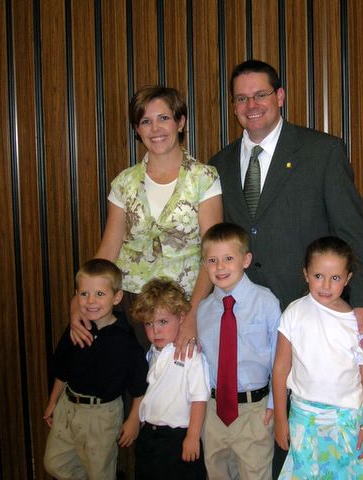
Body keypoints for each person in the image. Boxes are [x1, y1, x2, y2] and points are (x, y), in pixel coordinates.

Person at [208, 60, 363, 345]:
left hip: (312, 311)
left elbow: (352, 234)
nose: (251, 105)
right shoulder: (218, 165)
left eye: (260, 95)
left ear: (279, 97)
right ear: (234, 107)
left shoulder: (322, 152)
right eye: (242, 98)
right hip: (244, 320)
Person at [70, 85, 223, 352]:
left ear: (180, 122)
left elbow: (213, 254)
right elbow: (108, 250)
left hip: (183, 303)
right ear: (137, 129)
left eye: (163, 118)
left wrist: (194, 313)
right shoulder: (124, 182)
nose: (155, 129)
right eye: (145, 121)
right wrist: (79, 299)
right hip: (131, 304)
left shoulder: (204, 178)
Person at [272, 236, 363, 479]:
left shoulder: (356, 324)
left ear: (348, 279)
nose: (326, 285)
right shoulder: (294, 313)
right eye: (318, 276)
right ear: (306, 274)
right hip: (303, 417)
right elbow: (280, 368)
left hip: (347, 421)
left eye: (336, 278)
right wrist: (280, 418)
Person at [43, 259, 148, 480]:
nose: (91, 301)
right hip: (68, 407)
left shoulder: (124, 340)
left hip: (102, 414)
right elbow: (62, 370)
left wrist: (133, 420)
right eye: (84, 294)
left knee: (99, 472)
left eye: (100, 294)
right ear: (76, 295)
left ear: (116, 297)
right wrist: (53, 401)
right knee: (54, 463)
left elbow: (139, 386)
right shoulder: (77, 329)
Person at [197, 222, 281, 480]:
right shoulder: (203, 310)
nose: (220, 267)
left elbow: (280, 357)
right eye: (212, 260)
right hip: (213, 411)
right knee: (217, 473)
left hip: (254, 411)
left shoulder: (266, 302)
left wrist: (275, 404)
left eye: (228, 258)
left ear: (246, 260)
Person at [129, 278, 210, 479]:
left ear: (181, 317)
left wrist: (192, 437)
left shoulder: (190, 353)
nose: (155, 331)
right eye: (148, 324)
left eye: (163, 322)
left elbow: (199, 398)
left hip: (178, 437)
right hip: (149, 435)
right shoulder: (152, 352)